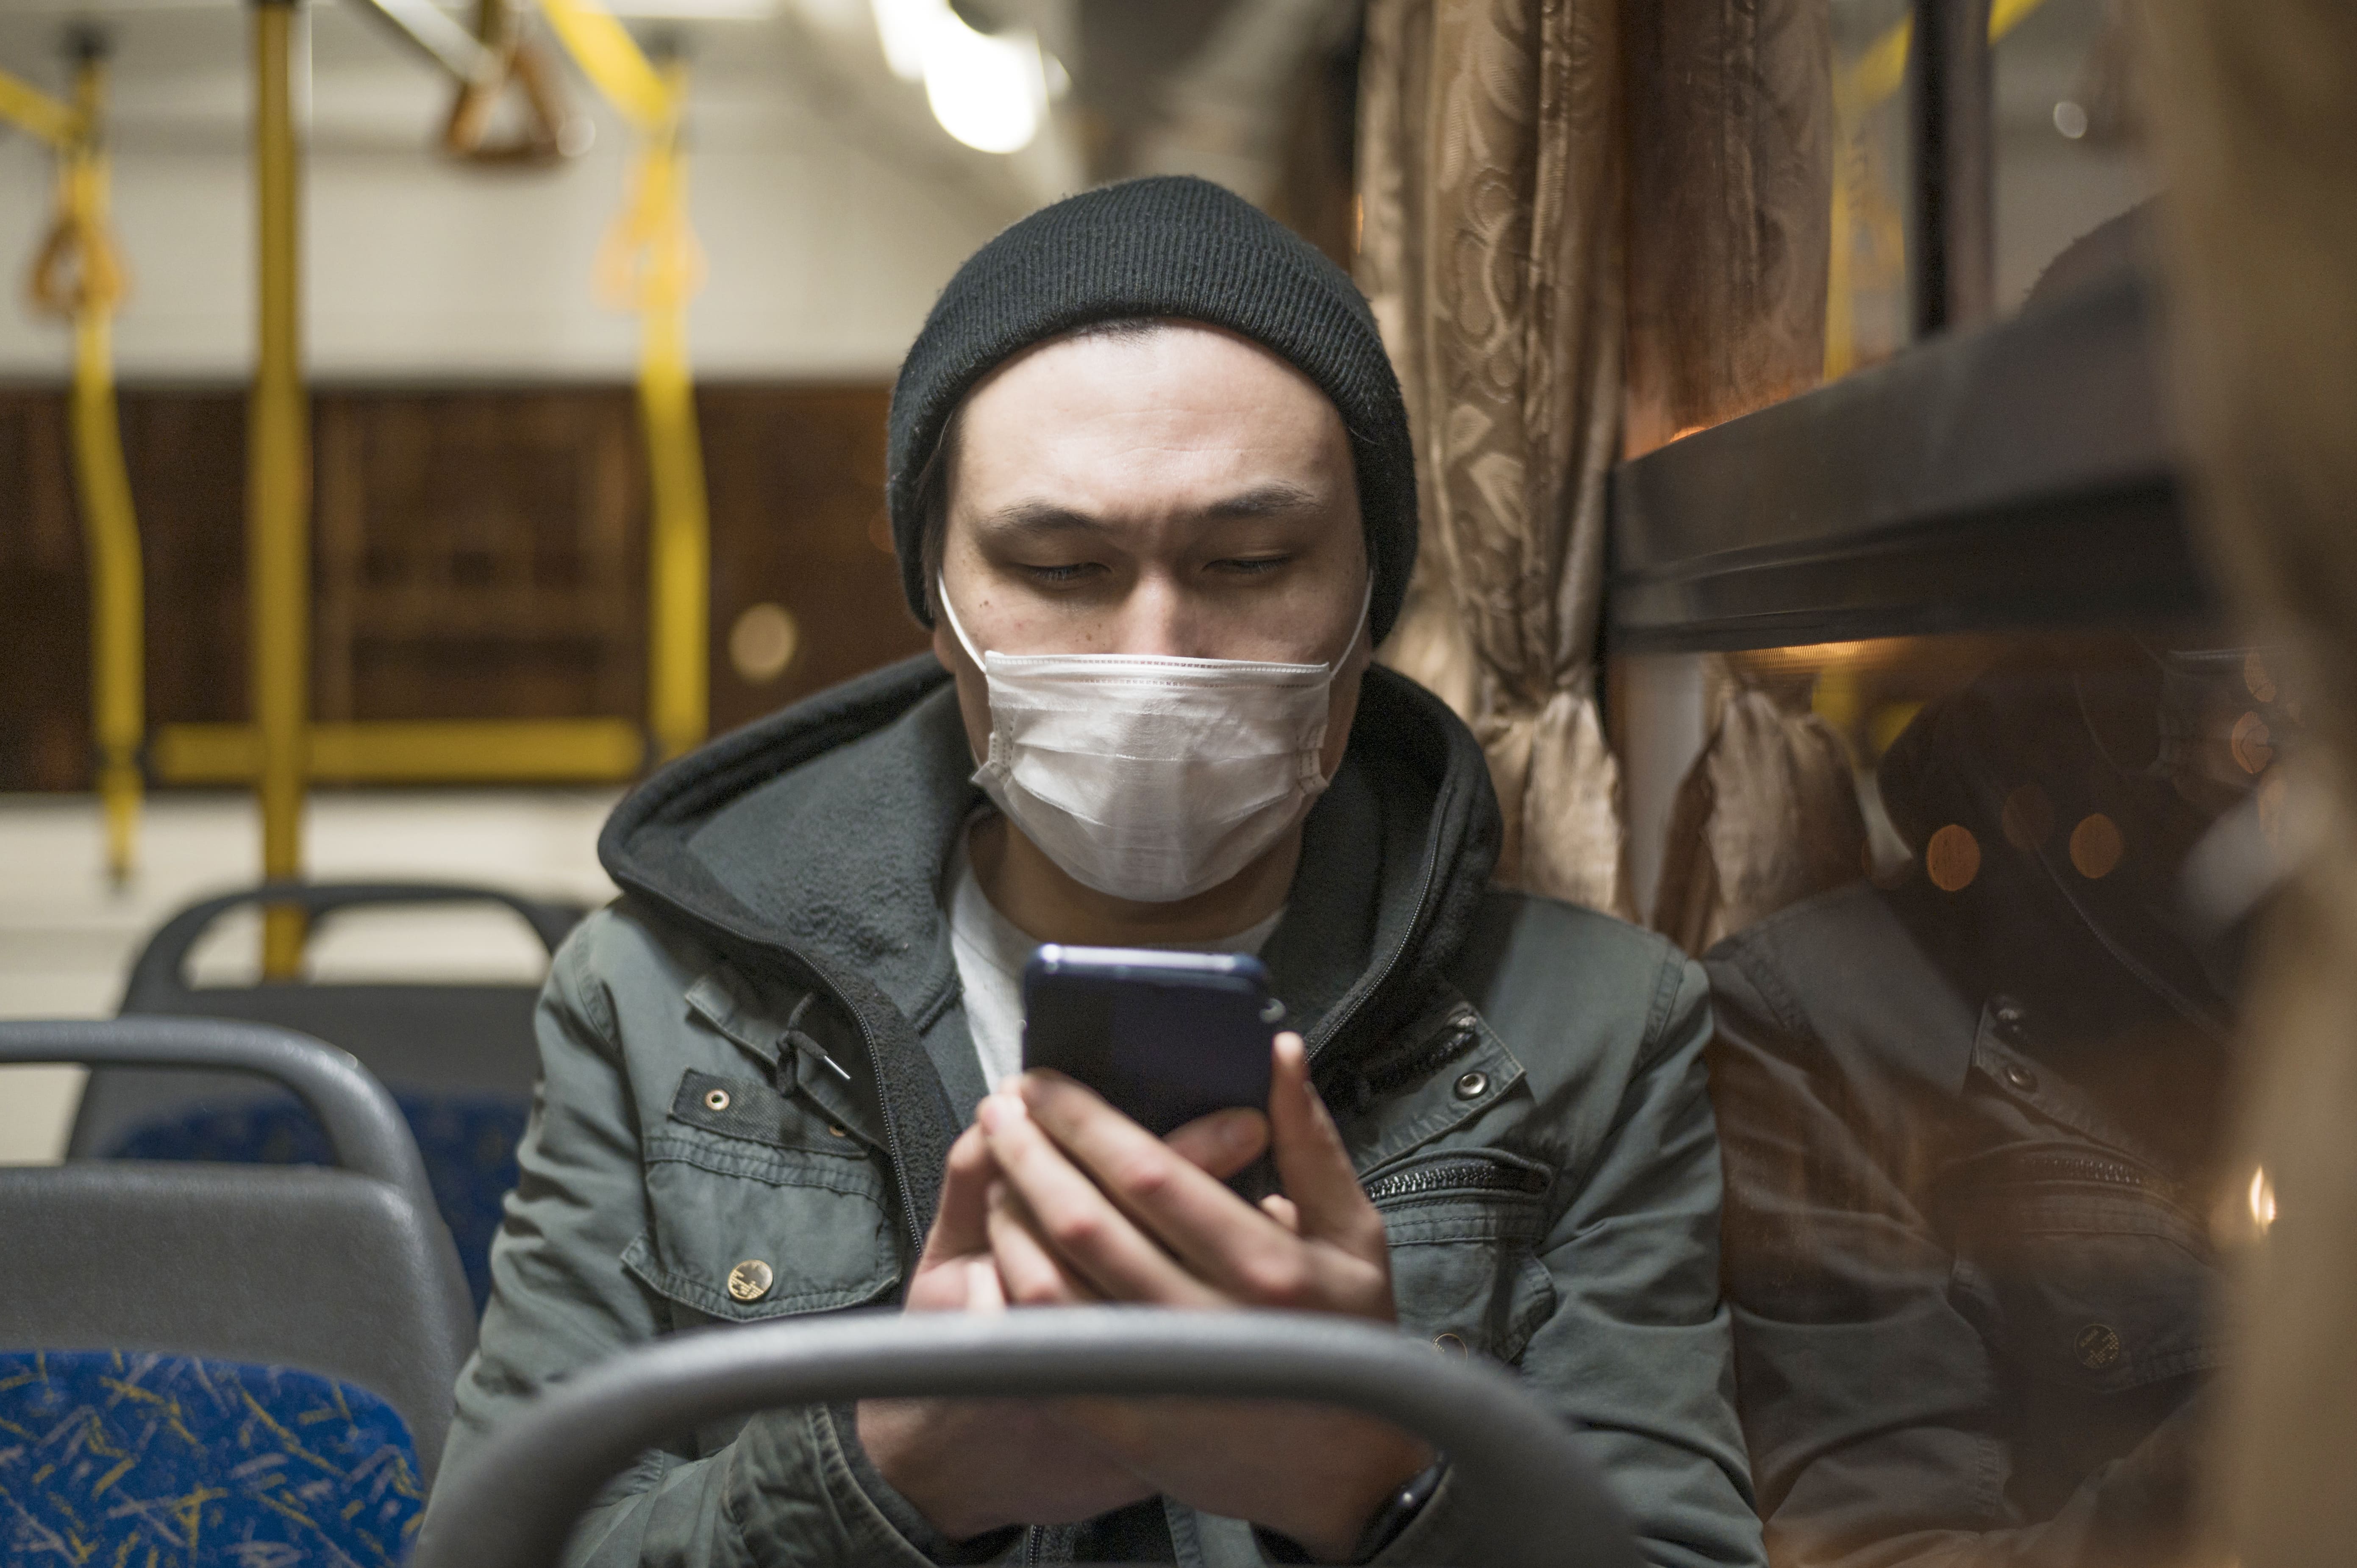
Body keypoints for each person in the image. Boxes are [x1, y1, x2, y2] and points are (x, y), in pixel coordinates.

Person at [431, 175, 1763, 1568]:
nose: (1155, 650)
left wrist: (1383, 1487)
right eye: (1061, 568)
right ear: (938, 609)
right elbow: (500, 1546)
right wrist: (885, 1474)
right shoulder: (664, 1010)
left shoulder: (1595, 1030)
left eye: (1250, 560)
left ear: (1370, 599)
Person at [1705, 638, 2280, 1568]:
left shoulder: (2302, 951)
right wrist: (2285, 1420)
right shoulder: (1833, 1019)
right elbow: (1875, 1550)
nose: (2273, 720)